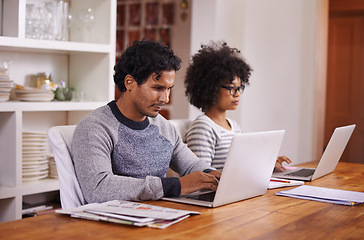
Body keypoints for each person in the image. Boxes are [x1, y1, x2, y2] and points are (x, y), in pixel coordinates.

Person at [72, 40, 221, 204]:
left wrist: (213, 175)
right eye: (157, 88)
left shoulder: (164, 127)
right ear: (130, 82)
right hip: (115, 222)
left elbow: (191, 165)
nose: (165, 98)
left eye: (169, 88)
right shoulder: (94, 127)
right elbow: (98, 189)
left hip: (161, 216)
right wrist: (175, 186)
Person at [184, 41, 291, 172]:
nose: (237, 94)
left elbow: (240, 166)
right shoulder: (203, 128)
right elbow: (201, 178)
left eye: (239, 88)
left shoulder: (234, 126)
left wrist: (265, 164)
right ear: (210, 88)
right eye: (231, 88)